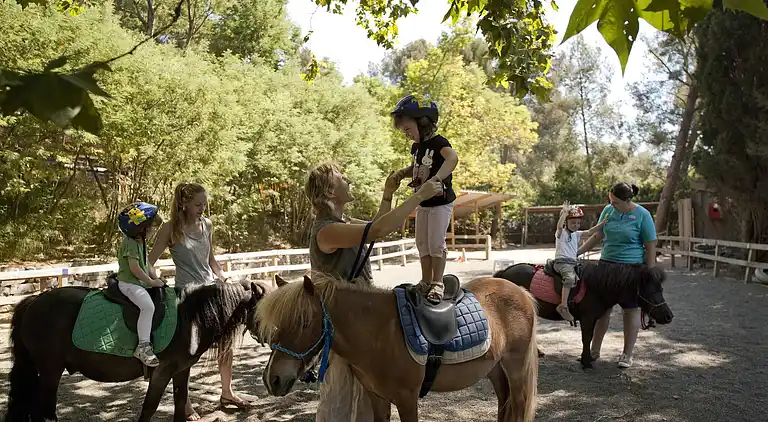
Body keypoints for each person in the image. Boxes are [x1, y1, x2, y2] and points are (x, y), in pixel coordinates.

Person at [305, 161, 442, 422]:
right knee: (340, 401)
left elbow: (378, 227)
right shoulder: (326, 231)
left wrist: (389, 192)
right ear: (330, 193)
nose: (349, 181)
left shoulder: (342, 222)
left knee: (369, 399)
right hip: (341, 326)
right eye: (341, 177)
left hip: (360, 322)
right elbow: (378, 230)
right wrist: (420, 196)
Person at [148, 183, 251, 421]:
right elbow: (149, 261)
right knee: (187, 352)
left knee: (226, 345)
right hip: (187, 297)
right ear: (183, 204)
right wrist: (153, 280)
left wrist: (223, 277)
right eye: (197, 205)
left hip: (212, 293)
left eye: (205, 204)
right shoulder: (170, 229)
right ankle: (185, 404)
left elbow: (211, 259)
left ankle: (227, 393)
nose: (202, 209)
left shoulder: (207, 225)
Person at [577, 182, 658, 368]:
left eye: (615, 202)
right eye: (610, 201)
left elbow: (650, 244)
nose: (611, 204)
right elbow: (597, 236)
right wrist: (577, 252)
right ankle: (594, 351)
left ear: (627, 200)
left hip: (631, 269)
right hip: (606, 267)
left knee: (630, 310)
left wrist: (650, 272)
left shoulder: (642, 215)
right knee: (601, 310)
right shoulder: (608, 211)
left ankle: (627, 355)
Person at [390, 94, 459, 303]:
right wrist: (403, 173)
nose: (406, 134)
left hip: (440, 201)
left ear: (423, 122)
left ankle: (438, 283)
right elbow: (418, 167)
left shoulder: (439, 142)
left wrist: (437, 178)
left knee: (436, 243)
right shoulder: (417, 148)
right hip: (423, 202)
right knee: (422, 243)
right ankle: (425, 280)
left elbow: (452, 158)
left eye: (408, 129)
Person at [115, 202, 165, 367]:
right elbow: (135, 269)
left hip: (138, 283)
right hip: (129, 283)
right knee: (147, 306)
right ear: (141, 228)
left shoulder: (140, 242)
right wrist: (151, 282)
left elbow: (146, 265)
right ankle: (143, 346)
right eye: (152, 228)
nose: (153, 231)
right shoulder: (130, 243)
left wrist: (156, 278)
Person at [553, 201, 607, 321]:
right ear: (566, 222)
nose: (576, 225)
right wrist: (564, 213)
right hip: (562, 262)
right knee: (570, 279)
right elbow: (559, 226)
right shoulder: (561, 233)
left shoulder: (576, 234)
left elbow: (589, 232)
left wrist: (602, 224)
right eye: (573, 222)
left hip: (573, 262)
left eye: (578, 223)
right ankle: (563, 306)